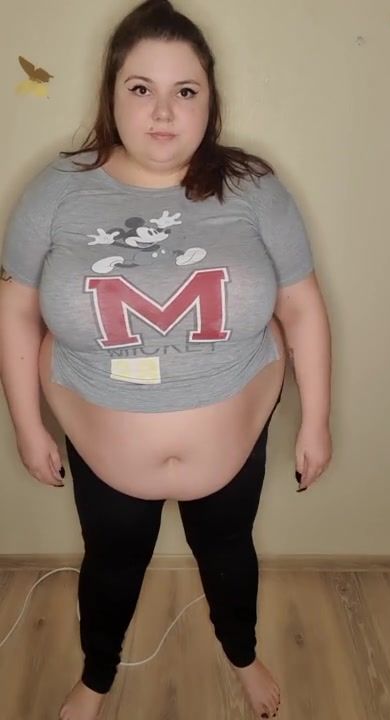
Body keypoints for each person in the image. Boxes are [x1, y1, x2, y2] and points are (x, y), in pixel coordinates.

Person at [0, 0, 332, 718]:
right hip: (101, 441)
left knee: (230, 555)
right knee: (110, 567)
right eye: (140, 88)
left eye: (185, 90)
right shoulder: (57, 189)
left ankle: (242, 655)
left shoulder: (253, 186)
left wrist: (316, 422)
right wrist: (26, 427)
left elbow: (303, 305)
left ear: (209, 99)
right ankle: (97, 677)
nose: (162, 111)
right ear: (111, 93)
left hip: (233, 439)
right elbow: (17, 307)